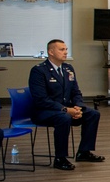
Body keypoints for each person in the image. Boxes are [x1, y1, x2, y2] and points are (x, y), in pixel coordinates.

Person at [29, 38, 104, 171]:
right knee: (64, 117)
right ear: (51, 52)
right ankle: (60, 158)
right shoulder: (39, 71)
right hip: (44, 111)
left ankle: (84, 152)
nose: (65, 52)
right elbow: (41, 99)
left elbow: (76, 92)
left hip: (67, 109)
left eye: (66, 49)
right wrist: (65, 109)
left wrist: (78, 107)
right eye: (61, 49)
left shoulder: (68, 68)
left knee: (92, 114)